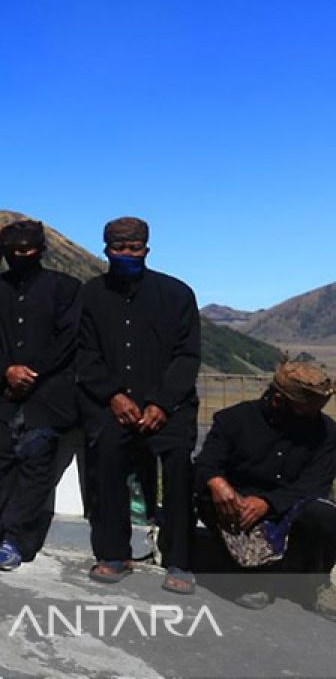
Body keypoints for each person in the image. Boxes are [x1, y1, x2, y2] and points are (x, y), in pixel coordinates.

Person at [78, 217, 201, 594]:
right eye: (119, 248)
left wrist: (161, 403)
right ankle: (116, 554)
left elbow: (187, 355)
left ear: (146, 248)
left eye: (134, 248)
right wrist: (113, 395)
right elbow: (83, 352)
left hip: (170, 408)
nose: (126, 254)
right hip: (112, 406)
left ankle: (180, 560)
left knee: (179, 478)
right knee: (108, 475)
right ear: (106, 249)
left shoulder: (177, 294)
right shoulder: (89, 295)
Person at [0, 220, 81, 571]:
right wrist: (6, 371)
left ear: (42, 249)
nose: (20, 256)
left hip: (47, 396)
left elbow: (68, 337)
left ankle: (16, 540)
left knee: (36, 469)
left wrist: (31, 372)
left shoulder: (66, 289)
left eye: (27, 249)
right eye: (13, 251)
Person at [194, 362, 336, 617]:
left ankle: (312, 582)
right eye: (305, 409)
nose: (314, 415)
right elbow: (206, 464)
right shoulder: (234, 420)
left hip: (288, 508)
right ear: (279, 400)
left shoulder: (327, 434)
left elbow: (315, 484)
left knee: (323, 514)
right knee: (208, 493)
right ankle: (249, 577)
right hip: (239, 509)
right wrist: (217, 482)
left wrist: (268, 502)